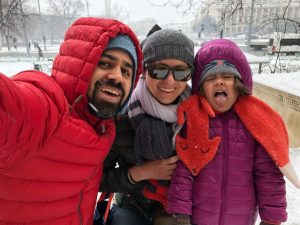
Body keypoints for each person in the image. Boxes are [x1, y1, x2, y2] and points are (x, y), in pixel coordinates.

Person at [0, 17, 143, 225]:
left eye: (126, 71)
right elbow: (11, 106)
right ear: (80, 65)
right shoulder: (46, 109)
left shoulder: (103, 126)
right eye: (105, 63)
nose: (117, 76)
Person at [167, 38, 300, 225]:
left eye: (227, 77)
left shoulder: (254, 124)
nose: (219, 82)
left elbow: (268, 175)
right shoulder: (195, 121)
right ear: (201, 88)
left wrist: (271, 219)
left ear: (238, 85)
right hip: (200, 219)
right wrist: (179, 215)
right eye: (211, 78)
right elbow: (184, 171)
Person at [98, 27, 194, 225]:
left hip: (181, 213)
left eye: (181, 71)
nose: (169, 80)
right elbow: (97, 179)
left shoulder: (200, 116)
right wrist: (140, 172)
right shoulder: (121, 117)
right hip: (133, 207)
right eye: (158, 69)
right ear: (143, 70)